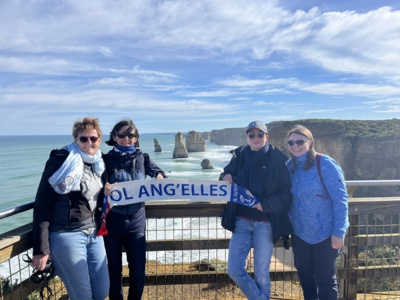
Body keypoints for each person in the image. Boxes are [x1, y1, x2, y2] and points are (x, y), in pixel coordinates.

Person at [32, 117, 109, 300]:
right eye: (83, 138)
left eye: (93, 138)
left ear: (99, 140)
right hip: (66, 234)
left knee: (101, 291)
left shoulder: (98, 163)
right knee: (82, 296)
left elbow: (96, 196)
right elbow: (42, 203)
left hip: (93, 233)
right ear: (76, 139)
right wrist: (41, 249)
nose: (88, 142)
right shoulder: (61, 161)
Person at [220, 120, 292, 300]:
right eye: (252, 135)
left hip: (265, 224)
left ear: (266, 136)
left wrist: (265, 204)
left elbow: (286, 193)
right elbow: (225, 174)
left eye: (260, 134)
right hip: (241, 222)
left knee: (261, 275)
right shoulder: (239, 156)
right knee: (234, 270)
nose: (256, 138)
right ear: (247, 137)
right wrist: (225, 176)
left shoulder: (278, 159)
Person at [102, 119, 167, 300]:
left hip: (136, 222)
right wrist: (103, 188)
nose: (127, 139)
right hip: (113, 221)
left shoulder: (142, 157)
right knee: (113, 270)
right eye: (122, 135)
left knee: (138, 271)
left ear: (136, 138)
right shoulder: (105, 159)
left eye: (131, 135)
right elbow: (97, 185)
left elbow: (159, 172)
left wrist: (159, 176)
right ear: (114, 137)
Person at [286, 124, 349, 300]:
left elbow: (340, 199)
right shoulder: (289, 166)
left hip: (326, 234)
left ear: (310, 142)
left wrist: (339, 232)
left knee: (325, 280)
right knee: (306, 278)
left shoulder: (325, 164)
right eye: (291, 142)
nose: (295, 145)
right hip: (300, 233)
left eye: (300, 141)